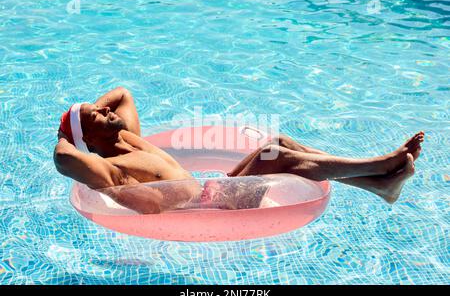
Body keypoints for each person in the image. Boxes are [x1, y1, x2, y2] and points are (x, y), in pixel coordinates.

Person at [54, 87, 424, 214]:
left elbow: (122, 93)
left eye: (99, 107)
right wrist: (70, 130)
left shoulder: (129, 140)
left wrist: (82, 115)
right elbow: (64, 158)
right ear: (89, 139)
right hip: (203, 210)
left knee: (278, 144)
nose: (106, 109)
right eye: (97, 116)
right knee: (279, 157)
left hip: (215, 192)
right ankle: (381, 164)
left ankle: (378, 185)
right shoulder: (114, 169)